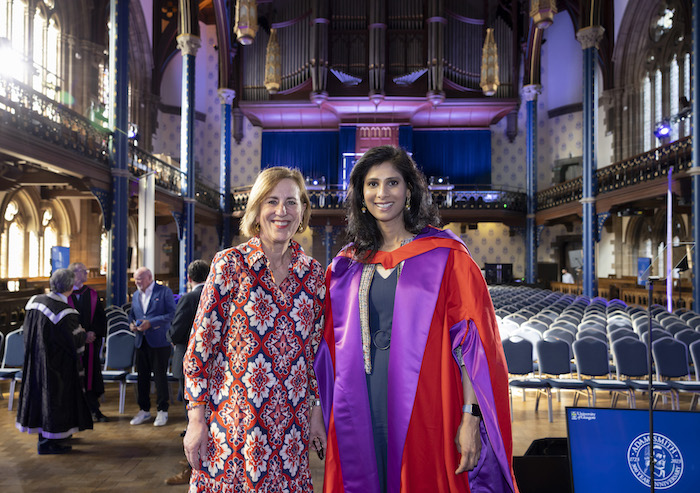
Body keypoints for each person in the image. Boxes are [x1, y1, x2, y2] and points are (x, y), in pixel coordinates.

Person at [314, 146, 519, 492]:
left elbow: (473, 347)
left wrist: (471, 416)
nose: (382, 193)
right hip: (360, 403)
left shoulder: (447, 257)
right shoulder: (344, 267)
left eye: (392, 182)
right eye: (372, 184)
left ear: (409, 190)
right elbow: (325, 350)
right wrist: (318, 409)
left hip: (427, 408)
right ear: (361, 195)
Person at [183, 167, 326, 492]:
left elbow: (315, 357)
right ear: (257, 210)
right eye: (272, 201)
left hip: (290, 432)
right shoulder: (229, 265)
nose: (282, 211)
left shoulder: (313, 275)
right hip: (231, 429)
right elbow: (198, 353)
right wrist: (196, 420)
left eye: (292, 202)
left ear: (302, 209)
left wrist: (316, 411)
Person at [16, 268, 93, 454]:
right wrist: (84, 335)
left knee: (40, 401)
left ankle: (50, 440)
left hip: (35, 362)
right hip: (57, 367)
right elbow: (73, 342)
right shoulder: (65, 312)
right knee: (55, 402)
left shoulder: (34, 302)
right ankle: (49, 444)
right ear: (70, 287)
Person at [164, 259, 209, 486]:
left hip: (189, 363)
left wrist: (170, 336)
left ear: (189, 278)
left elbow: (177, 331)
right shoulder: (217, 294)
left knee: (191, 417)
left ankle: (193, 468)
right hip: (211, 367)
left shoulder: (190, 298)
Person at [128, 267, 177, 427]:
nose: (137, 283)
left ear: (149, 277)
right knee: (142, 378)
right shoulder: (136, 295)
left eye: (139, 279)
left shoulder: (164, 292)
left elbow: (171, 314)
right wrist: (132, 325)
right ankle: (144, 410)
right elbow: (132, 314)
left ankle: (163, 410)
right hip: (141, 341)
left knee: (159, 377)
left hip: (159, 341)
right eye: (135, 280)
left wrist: (151, 322)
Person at [68, 262, 108, 422]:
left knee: (91, 376)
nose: (85, 273)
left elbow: (100, 317)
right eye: (82, 271)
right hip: (72, 344)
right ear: (73, 274)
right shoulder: (65, 294)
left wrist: (93, 333)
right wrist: (79, 336)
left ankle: (94, 409)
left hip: (90, 344)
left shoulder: (91, 293)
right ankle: (74, 413)